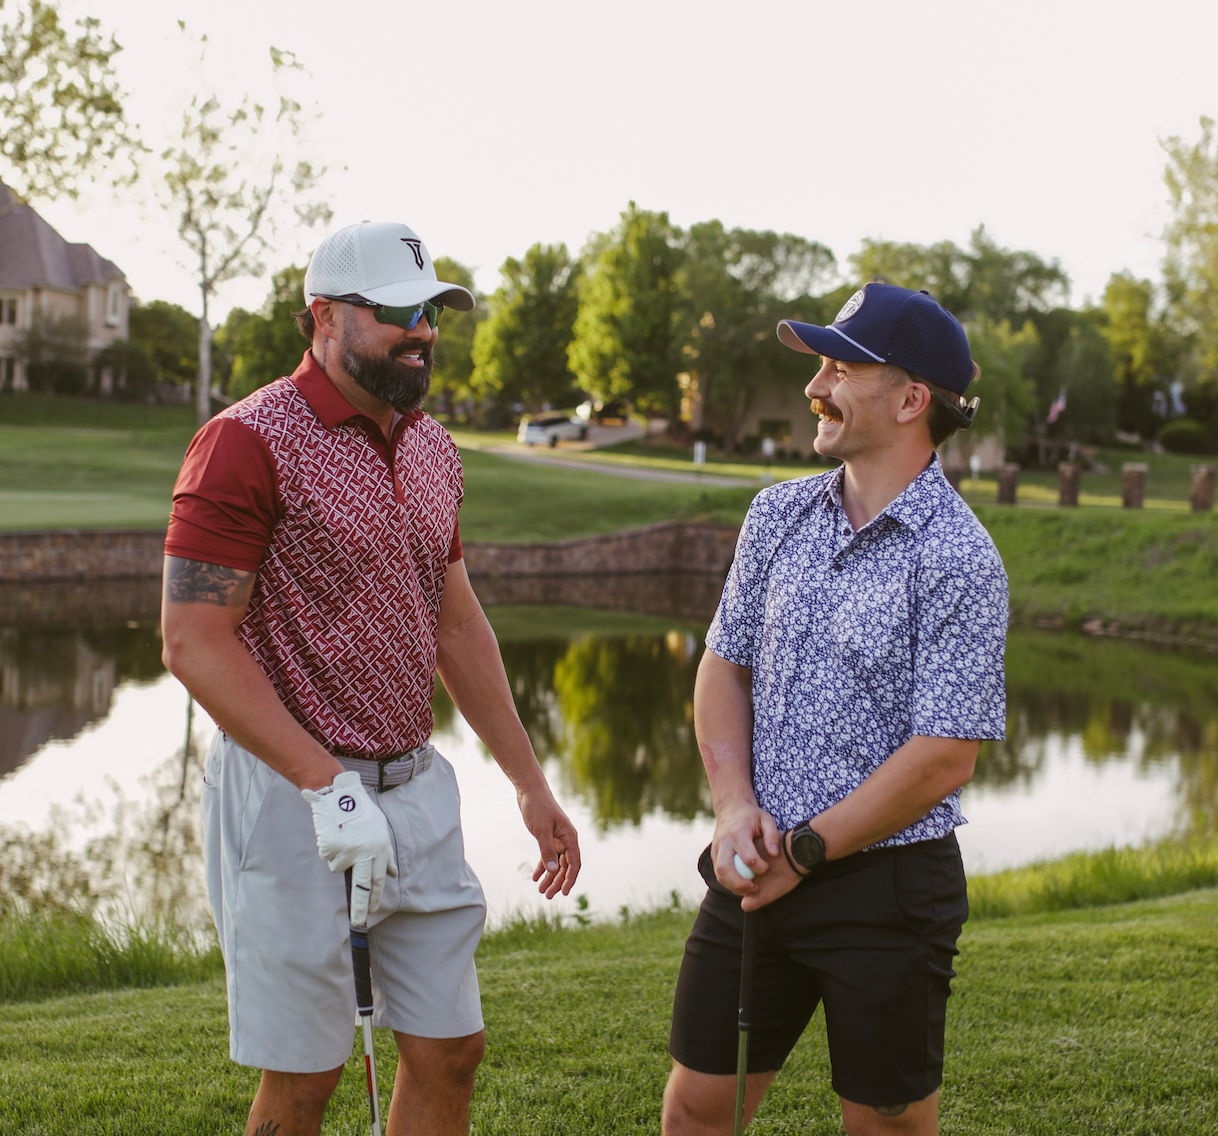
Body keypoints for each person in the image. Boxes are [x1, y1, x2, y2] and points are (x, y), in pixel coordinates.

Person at [161, 220, 581, 1136]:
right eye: (395, 313)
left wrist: (529, 782)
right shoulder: (245, 441)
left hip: (415, 787)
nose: (422, 331)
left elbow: (458, 625)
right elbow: (193, 638)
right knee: (305, 1079)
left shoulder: (433, 448)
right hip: (287, 798)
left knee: (451, 1050)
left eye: (431, 311)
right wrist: (324, 786)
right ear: (323, 317)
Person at [662, 283, 1008, 1136]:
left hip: (887, 891)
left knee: (887, 1123)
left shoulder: (961, 557)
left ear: (911, 399)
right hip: (755, 866)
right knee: (699, 1105)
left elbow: (944, 757)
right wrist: (733, 806)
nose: (816, 384)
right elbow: (721, 668)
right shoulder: (776, 512)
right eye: (819, 363)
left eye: (840, 366)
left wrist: (809, 854)